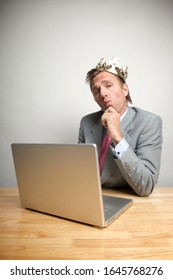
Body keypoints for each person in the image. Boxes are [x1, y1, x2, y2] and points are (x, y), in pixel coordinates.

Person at [78, 56, 163, 197]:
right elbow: (80, 171)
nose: (103, 93)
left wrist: (118, 137)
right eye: (96, 90)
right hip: (90, 197)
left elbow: (146, 186)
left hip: (126, 199)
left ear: (125, 89)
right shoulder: (87, 122)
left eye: (108, 85)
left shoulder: (149, 122)